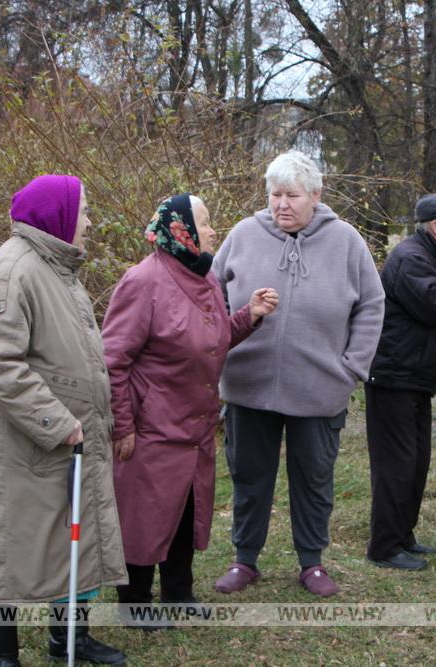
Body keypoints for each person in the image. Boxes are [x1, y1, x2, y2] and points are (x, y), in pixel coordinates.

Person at [0, 174, 127, 666]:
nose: (90, 222)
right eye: (84, 212)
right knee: (3, 547)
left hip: (64, 442)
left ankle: (69, 640)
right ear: (58, 215)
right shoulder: (14, 269)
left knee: (69, 539)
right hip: (22, 445)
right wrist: (56, 421)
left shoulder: (58, 271)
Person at [212, 151, 385, 597]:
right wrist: (216, 355)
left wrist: (351, 368)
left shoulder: (346, 240)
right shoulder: (244, 234)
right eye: (275, 194)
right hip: (248, 387)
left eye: (292, 195)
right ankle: (244, 560)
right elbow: (209, 294)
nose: (282, 204)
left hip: (320, 389)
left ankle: (312, 563)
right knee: (250, 477)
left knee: (314, 479)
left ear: (315, 195)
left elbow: (372, 304)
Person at [101, 194, 278, 627]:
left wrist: (249, 316)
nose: (214, 229)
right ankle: (135, 603)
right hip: (151, 427)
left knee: (185, 511)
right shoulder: (142, 281)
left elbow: (211, 340)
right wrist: (123, 425)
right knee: (145, 515)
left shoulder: (206, 277)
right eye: (205, 221)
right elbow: (112, 361)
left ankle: (178, 594)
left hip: (194, 426)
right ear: (180, 229)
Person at [364, 194, 436, 571]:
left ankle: (403, 535)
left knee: (415, 462)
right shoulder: (412, 258)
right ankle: (384, 547)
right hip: (394, 378)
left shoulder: (429, 256)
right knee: (397, 464)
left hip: (414, 379)